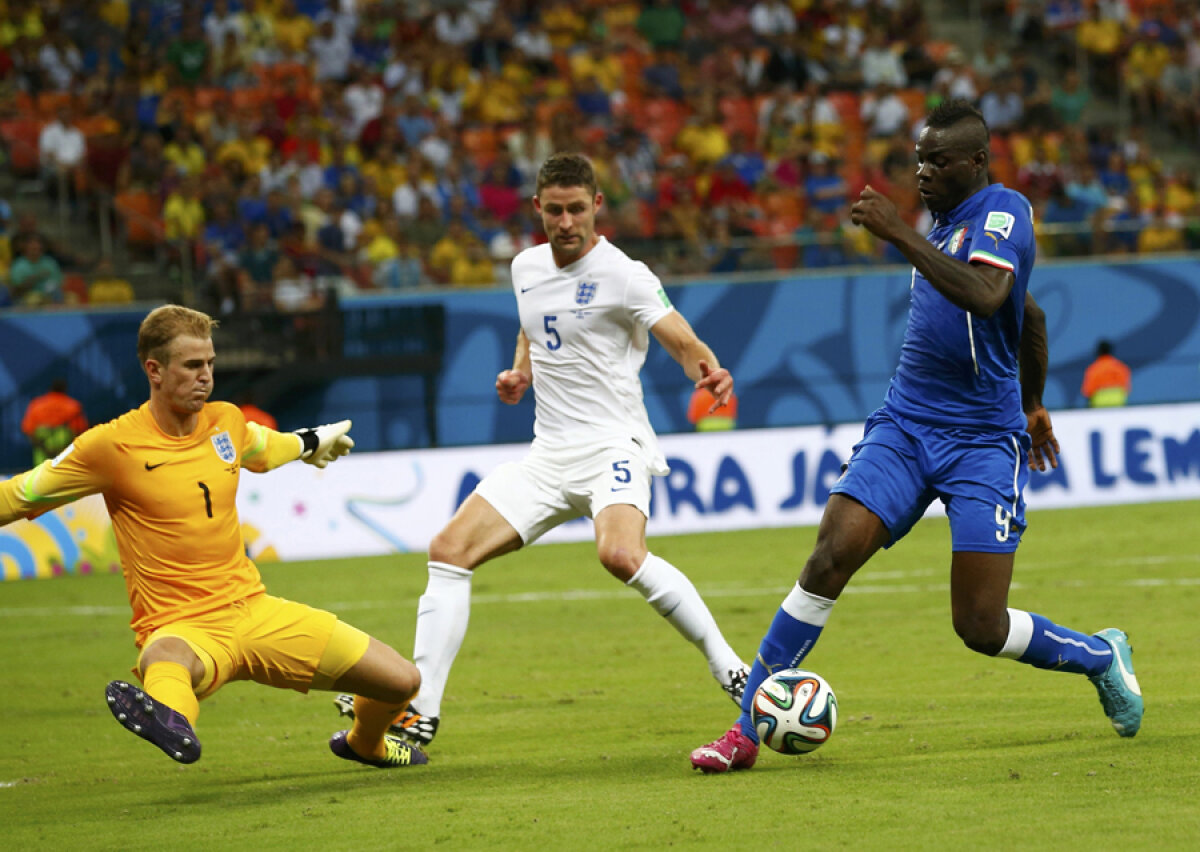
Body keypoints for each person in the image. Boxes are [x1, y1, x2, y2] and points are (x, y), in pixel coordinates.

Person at [690, 100, 1143, 774]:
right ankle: (744, 730)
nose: (923, 172)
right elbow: (1031, 317)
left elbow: (992, 297)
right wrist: (1037, 400)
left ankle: (1101, 655)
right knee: (827, 558)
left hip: (983, 443)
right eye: (918, 160)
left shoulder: (1003, 211)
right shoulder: (943, 226)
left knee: (980, 627)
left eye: (937, 160)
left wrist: (901, 235)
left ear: (976, 162)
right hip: (906, 426)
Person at [334, 153, 749, 748]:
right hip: (548, 455)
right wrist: (519, 370)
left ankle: (729, 665)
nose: (565, 221)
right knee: (449, 550)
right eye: (554, 210)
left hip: (613, 445)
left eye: (577, 208)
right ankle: (421, 708)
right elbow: (535, 322)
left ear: (596, 206)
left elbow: (678, 336)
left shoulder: (625, 273)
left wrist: (707, 371)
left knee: (620, 556)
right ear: (538, 209)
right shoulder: (525, 266)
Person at [0, 305, 426, 770]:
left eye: (210, 364)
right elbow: (19, 496)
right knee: (165, 656)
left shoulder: (225, 421)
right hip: (182, 624)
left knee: (401, 680)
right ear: (154, 370)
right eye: (192, 366)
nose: (206, 376)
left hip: (256, 611)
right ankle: (172, 724)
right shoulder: (110, 446)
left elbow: (265, 448)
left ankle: (367, 744)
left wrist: (311, 442)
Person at [21, 379, 88, 466]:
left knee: (41, 475)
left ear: (50, 389)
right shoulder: (73, 406)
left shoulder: (37, 404)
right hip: (64, 450)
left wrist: (44, 448)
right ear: (65, 389)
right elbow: (80, 430)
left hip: (42, 451)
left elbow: (28, 430)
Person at [1081, 340, 1131, 407]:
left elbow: (1087, 391)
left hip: (1100, 404)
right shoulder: (1120, 367)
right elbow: (1126, 388)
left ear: (1098, 352)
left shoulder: (1093, 369)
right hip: (1118, 402)